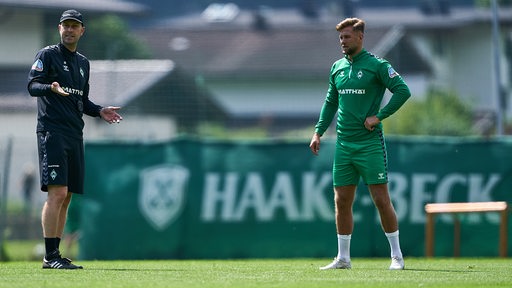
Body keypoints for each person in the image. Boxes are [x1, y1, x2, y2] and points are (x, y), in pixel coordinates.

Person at [309, 18, 411, 270]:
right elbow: (330, 102)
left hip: (369, 144)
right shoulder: (337, 68)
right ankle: (343, 258)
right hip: (343, 144)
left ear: (360, 37)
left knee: (380, 199)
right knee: (341, 200)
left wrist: (379, 116)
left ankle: (397, 256)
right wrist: (318, 131)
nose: (343, 41)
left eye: (347, 37)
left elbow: (402, 90)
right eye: (340, 38)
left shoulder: (377, 65)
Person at [27, 9, 123, 269]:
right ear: (59, 29)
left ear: (82, 31)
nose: (69, 30)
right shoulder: (47, 55)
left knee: (67, 195)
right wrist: (51, 88)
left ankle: (54, 255)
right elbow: (32, 85)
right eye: (65, 25)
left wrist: (99, 110)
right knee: (56, 194)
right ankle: (50, 256)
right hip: (52, 133)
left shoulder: (83, 63)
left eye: (74, 26)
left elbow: (81, 100)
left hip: (74, 133)